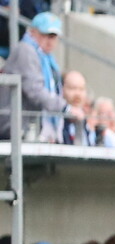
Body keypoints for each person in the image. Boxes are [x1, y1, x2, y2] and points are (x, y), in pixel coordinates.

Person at [0, 12, 83, 142]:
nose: (50, 41)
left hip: (33, 126)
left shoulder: (46, 58)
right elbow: (35, 90)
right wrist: (65, 108)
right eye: (45, 35)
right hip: (17, 126)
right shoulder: (26, 50)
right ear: (32, 32)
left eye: (53, 37)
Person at [61, 70, 93, 146]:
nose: (77, 94)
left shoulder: (85, 122)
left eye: (81, 89)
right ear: (62, 89)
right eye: (72, 88)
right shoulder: (56, 121)